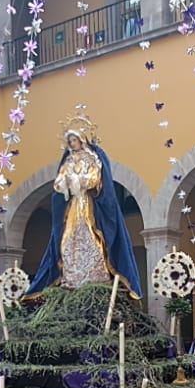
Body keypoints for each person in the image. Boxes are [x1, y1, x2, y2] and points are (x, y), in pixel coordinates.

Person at [24, 121, 143, 300]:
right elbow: (59, 182)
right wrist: (66, 182)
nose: (72, 144)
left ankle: (95, 274)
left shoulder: (92, 158)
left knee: (92, 237)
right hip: (72, 205)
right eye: (69, 141)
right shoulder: (68, 161)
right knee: (67, 239)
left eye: (74, 140)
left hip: (87, 203)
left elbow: (95, 178)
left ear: (82, 139)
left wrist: (80, 181)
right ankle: (71, 276)